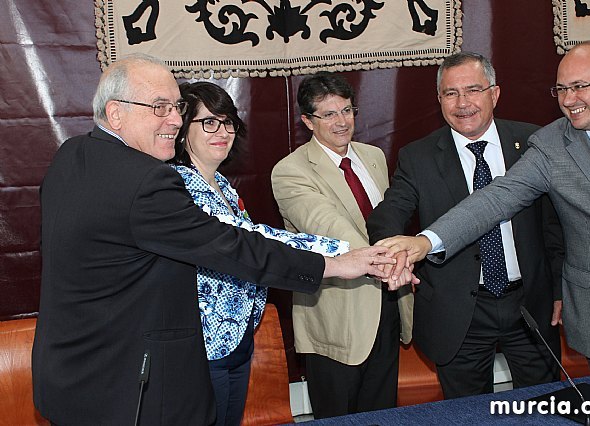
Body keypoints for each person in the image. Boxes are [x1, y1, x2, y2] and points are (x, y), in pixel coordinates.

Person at [32, 54, 397, 426]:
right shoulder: (147, 181)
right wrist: (334, 264)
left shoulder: (72, 154)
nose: (175, 119)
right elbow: (231, 246)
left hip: (71, 374)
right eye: (160, 108)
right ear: (116, 113)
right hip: (127, 386)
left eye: (176, 107)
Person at [377, 41, 590, 375]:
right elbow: (495, 199)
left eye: (578, 87)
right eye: (561, 89)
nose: (568, 100)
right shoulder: (550, 145)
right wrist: (425, 242)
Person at [367, 51, 564, 398]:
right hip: (459, 311)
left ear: (495, 93)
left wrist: (560, 290)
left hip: (530, 302)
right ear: (439, 98)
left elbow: (555, 226)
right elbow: (389, 214)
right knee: (468, 413)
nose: (463, 103)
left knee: (545, 406)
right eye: (450, 93)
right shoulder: (418, 156)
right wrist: (391, 252)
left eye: (473, 90)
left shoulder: (533, 143)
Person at [169, 81, 350, 426]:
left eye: (228, 122)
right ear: (181, 131)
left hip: (236, 340)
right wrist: (343, 255)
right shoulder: (179, 186)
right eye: (208, 122)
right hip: (203, 348)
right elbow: (254, 240)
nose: (222, 131)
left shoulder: (220, 184)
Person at [271, 72, 415, 418]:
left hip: (388, 305)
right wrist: (393, 261)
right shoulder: (290, 171)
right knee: (338, 416)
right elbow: (330, 231)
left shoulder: (374, 156)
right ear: (307, 120)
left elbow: (389, 220)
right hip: (337, 318)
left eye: (347, 110)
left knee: (382, 414)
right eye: (329, 114)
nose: (342, 122)